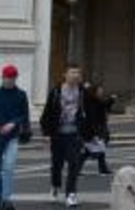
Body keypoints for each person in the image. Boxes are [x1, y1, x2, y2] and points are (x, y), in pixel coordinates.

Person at [40, 64, 91, 208]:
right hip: (58, 134)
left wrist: (89, 134)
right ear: (65, 75)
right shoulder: (56, 91)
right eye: (72, 72)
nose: (75, 75)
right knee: (57, 165)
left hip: (74, 134)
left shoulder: (83, 92)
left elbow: (90, 113)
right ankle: (55, 186)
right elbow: (47, 113)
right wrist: (47, 134)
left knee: (74, 164)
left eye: (77, 73)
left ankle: (71, 194)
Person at [0, 64, 30, 210]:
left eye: (12, 77)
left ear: (16, 78)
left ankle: (6, 200)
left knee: (9, 167)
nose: (9, 80)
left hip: (12, 137)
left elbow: (24, 115)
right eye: (7, 77)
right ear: (2, 77)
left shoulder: (21, 94)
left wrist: (13, 123)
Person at [79, 84, 114, 176]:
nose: (101, 92)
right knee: (90, 150)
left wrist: (110, 100)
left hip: (99, 127)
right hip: (94, 128)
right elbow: (93, 117)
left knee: (99, 149)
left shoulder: (97, 101)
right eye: (99, 91)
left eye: (101, 91)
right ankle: (77, 168)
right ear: (94, 92)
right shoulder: (92, 102)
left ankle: (103, 168)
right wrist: (94, 132)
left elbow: (105, 105)